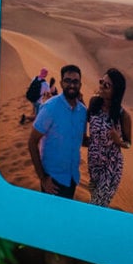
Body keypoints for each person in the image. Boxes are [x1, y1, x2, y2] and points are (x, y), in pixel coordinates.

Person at [28, 64, 88, 199]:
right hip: (52, 181)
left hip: (72, 177)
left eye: (75, 81)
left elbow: (81, 140)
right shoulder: (50, 108)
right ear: (61, 83)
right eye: (67, 81)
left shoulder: (83, 112)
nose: (71, 85)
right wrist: (43, 178)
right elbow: (32, 142)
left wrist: (106, 141)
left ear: (80, 84)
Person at [86, 68, 132, 208]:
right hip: (93, 164)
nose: (101, 86)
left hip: (111, 167)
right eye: (101, 82)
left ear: (116, 91)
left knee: (96, 205)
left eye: (106, 85)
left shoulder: (123, 116)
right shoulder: (94, 104)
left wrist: (119, 141)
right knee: (95, 199)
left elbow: (129, 144)